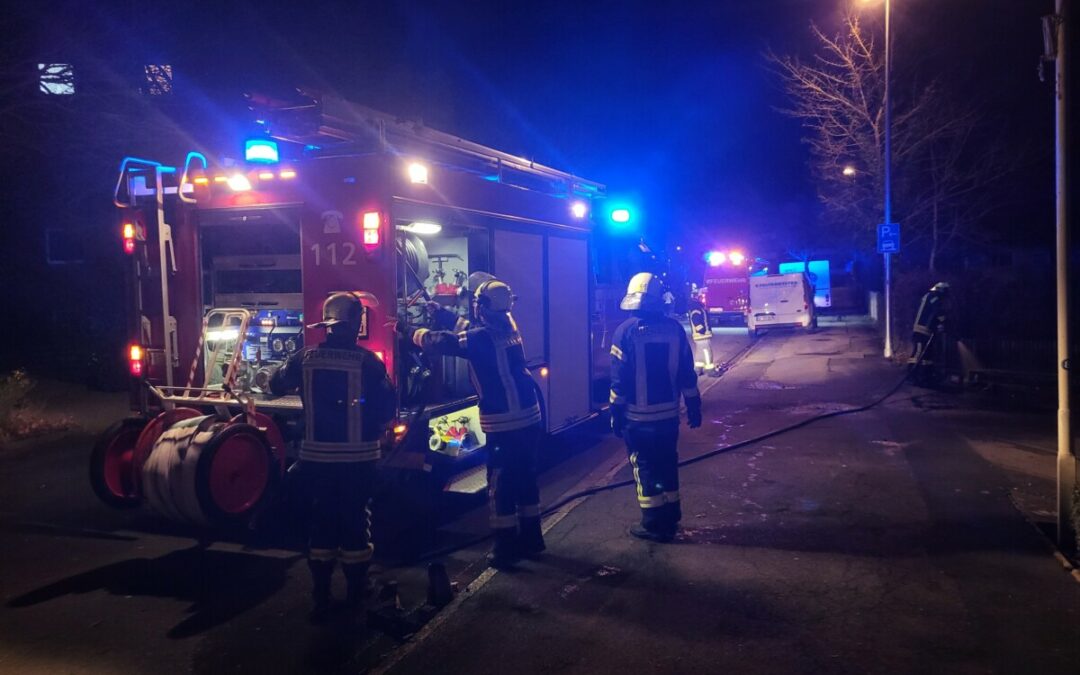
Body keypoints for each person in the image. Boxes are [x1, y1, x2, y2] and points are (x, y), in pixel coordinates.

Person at [270, 291, 396, 621]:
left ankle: (321, 595)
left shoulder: (304, 358)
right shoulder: (369, 362)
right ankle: (355, 592)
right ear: (355, 324)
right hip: (358, 460)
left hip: (315, 460)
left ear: (326, 324)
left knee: (322, 523)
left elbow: (274, 384)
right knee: (355, 524)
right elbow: (387, 407)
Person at [405, 277, 545, 569]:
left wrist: (405, 329)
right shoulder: (509, 326)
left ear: (483, 307)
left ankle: (505, 549)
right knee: (525, 479)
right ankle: (532, 540)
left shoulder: (481, 338)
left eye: (478, 303)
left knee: (501, 485)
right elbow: (468, 330)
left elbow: (438, 342)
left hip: (504, 423)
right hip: (528, 418)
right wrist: (442, 313)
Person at [610, 272, 702, 542]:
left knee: (645, 467)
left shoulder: (625, 331)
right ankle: (671, 517)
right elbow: (687, 373)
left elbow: (619, 380)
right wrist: (694, 405)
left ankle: (653, 524)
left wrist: (616, 412)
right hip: (668, 418)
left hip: (638, 420)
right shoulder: (675, 329)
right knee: (667, 463)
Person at [908, 282, 950, 385]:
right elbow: (937, 310)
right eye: (945, 292)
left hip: (926, 330)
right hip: (921, 330)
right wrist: (943, 321)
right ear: (941, 290)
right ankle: (912, 375)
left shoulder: (931, 296)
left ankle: (925, 376)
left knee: (927, 354)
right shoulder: (933, 297)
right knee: (918, 353)